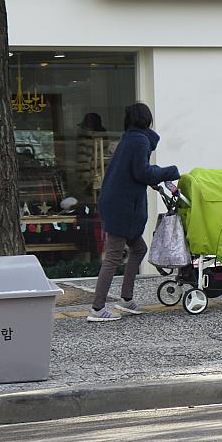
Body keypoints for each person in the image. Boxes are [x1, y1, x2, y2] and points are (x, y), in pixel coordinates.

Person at [87, 103, 180, 322]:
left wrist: (155, 180)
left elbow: (133, 173)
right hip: (122, 206)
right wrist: (169, 171)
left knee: (139, 248)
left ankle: (126, 299)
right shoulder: (138, 141)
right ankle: (97, 308)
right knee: (113, 257)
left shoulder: (130, 139)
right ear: (147, 120)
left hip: (116, 202)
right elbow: (142, 172)